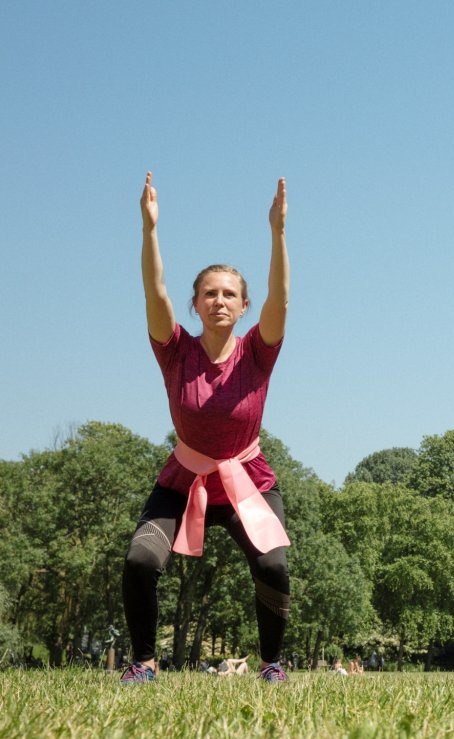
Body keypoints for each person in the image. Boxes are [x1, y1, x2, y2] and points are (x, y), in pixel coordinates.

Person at [120, 173, 292, 684]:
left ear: (243, 306)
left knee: (273, 568)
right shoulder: (175, 351)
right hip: (184, 480)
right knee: (139, 561)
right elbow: (155, 292)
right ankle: (143, 663)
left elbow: (281, 301)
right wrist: (150, 230)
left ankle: (272, 665)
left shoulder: (258, 353)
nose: (219, 300)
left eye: (230, 294)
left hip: (248, 481)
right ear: (196, 304)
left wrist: (277, 233)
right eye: (209, 294)